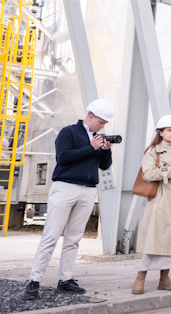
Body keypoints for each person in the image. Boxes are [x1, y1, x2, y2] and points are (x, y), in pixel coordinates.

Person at [24, 99, 115, 300]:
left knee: (73, 238)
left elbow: (104, 166)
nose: (103, 126)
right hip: (65, 187)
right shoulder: (68, 132)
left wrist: (105, 150)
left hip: (88, 190)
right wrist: (91, 147)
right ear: (90, 116)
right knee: (51, 235)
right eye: (101, 122)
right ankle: (34, 281)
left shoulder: (98, 138)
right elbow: (63, 157)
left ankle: (65, 280)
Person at [132, 115, 171, 295]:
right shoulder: (153, 151)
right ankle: (140, 277)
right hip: (161, 199)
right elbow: (148, 174)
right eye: (169, 130)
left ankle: (165, 278)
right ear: (160, 133)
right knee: (156, 238)